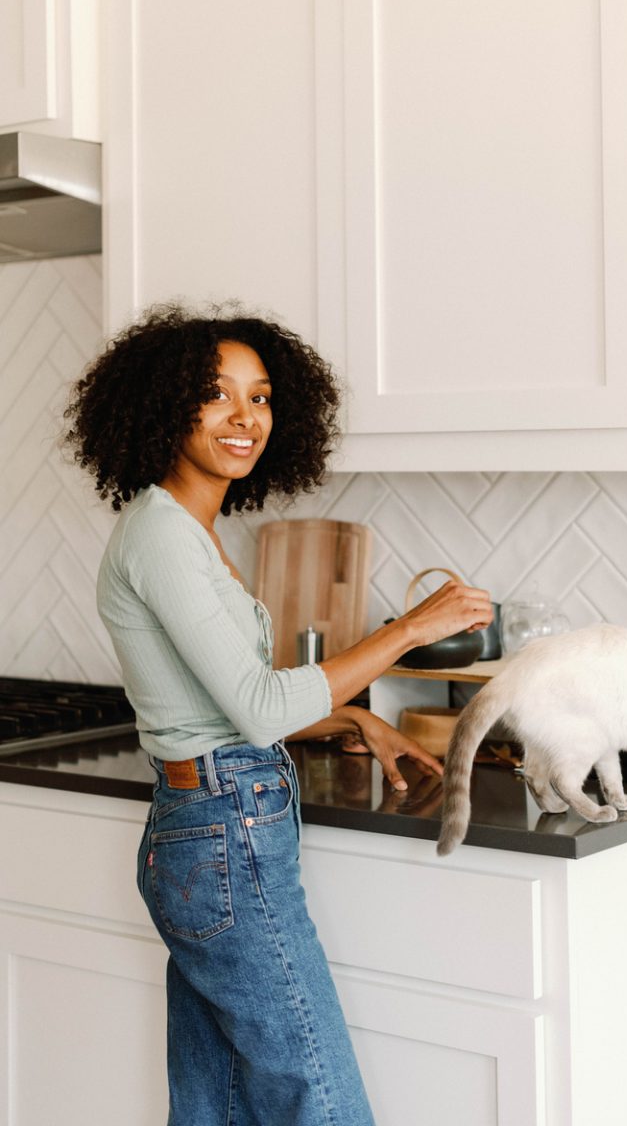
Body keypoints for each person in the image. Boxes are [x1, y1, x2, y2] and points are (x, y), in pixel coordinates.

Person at [64, 303, 492, 1126]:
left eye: (260, 398)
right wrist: (406, 632)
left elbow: (222, 707)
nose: (245, 417)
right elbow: (257, 710)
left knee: (217, 1103)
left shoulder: (190, 532)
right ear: (164, 405)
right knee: (318, 1097)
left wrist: (353, 721)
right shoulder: (159, 536)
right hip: (225, 828)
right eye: (216, 394)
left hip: (210, 826)